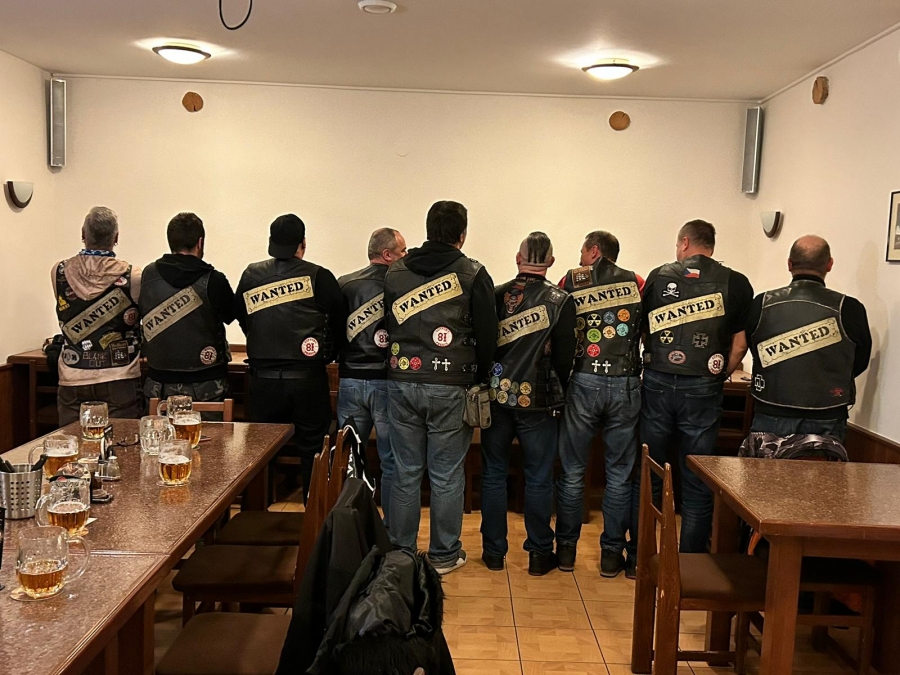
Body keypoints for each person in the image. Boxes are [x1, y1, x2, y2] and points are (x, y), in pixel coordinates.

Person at [384, 200, 497, 575]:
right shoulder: (474, 273)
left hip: (402, 381)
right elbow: (488, 336)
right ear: (462, 235)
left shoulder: (396, 272)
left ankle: (401, 552)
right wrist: (481, 379)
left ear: (428, 229)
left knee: (405, 471)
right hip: (451, 384)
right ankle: (444, 555)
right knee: (446, 474)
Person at [639, 219, 753, 553]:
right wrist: (718, 375)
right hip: (704, 386)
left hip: (658, 381)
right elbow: (740, 345)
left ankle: (641, 557)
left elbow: (643, 332)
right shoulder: (736, 282)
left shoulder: (658, 275)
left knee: (650, 472)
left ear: (685, 242)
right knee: (697, 478)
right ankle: (690, 562)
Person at [480, 232, 576, 576]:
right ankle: (538, 554)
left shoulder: (496, 295)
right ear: (551, 261)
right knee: (538, 478)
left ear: (518, 258)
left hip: (497, 396)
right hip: (538, 401)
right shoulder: (561, 300)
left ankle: (493, 553)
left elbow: (483, 344)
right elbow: (564, 358)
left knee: (493, 474)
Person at [235, 214, 347, 498]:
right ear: (302, 243)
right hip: (308, 379)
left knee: (261, 452)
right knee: (314, 449)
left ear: (271, 242)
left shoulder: (251, 275)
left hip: (262, 381)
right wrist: (327, 353)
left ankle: (258, 510)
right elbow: (339, 323)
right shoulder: (320, 276)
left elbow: (243, 318)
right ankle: (313, 510)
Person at [555, 230, 644, 578]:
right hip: (625, 382)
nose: (579, 258)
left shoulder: (571, 280)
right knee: (619, 475)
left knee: (573, 471)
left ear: (594, 251)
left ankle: (566, 551)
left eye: (582, 251)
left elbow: (559, 328)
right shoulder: (637, 281)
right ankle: (610, 555)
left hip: (583, 379)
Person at [747, 235, 871, 441]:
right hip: (828, 413)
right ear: (829, 265)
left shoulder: (762, 303)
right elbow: (859, 361)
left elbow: (754, 348)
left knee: (767, 464)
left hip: (771, 409)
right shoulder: (849, 307)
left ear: (789, 264)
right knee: (823, 464)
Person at [337, 227, 408, 528]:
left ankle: (349, 530)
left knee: (348, 461)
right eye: (402, 251)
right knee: (392, 461)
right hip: (388, 382)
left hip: (350, 380)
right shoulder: (403, 285)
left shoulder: (344, 284)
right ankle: (390, 530)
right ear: (387, 254)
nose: (406, 256)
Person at [53, 206, 143, 425]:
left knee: (72, 444)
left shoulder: (59, 271)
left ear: (83, 234)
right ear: (116, 237)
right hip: (120, 375)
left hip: (72, 375)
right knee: (122, 444)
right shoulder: (133, 276)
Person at [140, 212, 235, 412]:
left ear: (170, 242)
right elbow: (232, 315)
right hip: (207, 388)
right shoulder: (214, 280)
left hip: (158, 388)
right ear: (200, 242)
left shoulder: (148, 275)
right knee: (211, 434)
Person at [559, 230, 645, 291]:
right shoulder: (636, 281)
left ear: (594, 251)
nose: (580, 263)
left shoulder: (569, 281)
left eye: (582, 253)